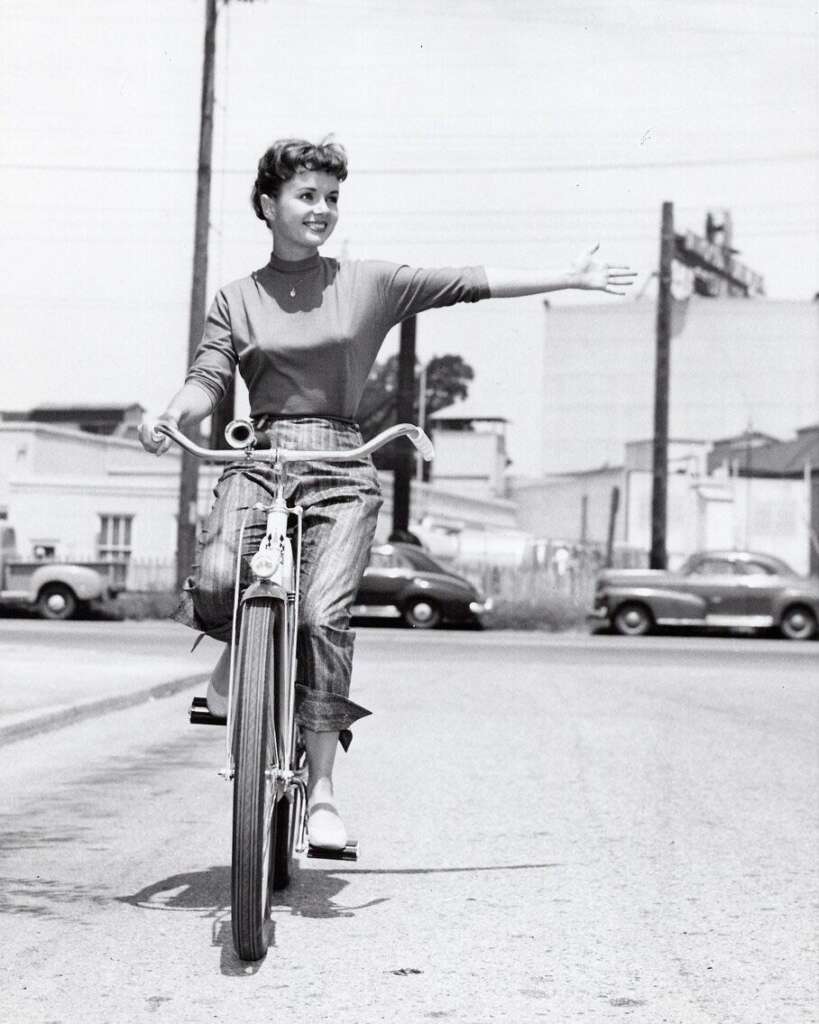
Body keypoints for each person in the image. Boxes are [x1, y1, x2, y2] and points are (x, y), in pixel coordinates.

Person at [139, 137, 635, 851]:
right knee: (217, 580)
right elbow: (209, 378)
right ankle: (240, 647)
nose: (321, 210)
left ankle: (323, 793)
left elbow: (465, 280)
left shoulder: (367, 282)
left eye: (331, 198)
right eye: (306, 196)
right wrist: (171, 416)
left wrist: (569, 275)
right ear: (267, 204)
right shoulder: (235, 299)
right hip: (261, 455)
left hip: (343, 459)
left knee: (320, 618)